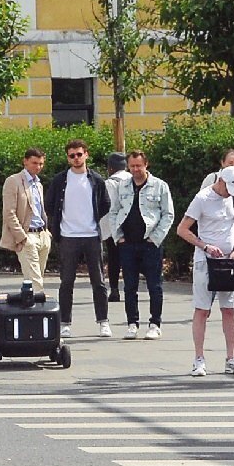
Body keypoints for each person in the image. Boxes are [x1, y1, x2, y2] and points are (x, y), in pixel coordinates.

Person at [178, 167, 234, 377]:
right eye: (228, 188)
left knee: (229, 309)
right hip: (206, 260)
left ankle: (231, 357)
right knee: (202, 309)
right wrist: (205, 246)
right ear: (220, 181)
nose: (230, 192)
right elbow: (183, 229)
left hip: (228, 260)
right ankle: (199, 358)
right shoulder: (202, 198)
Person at [49, 139, 112, 338]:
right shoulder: (60, 180)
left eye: (79, 154)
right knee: (66, 281)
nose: (76, 158)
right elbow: (50, 205)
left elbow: (105, 204)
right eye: (72, 155)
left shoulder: (96, 179)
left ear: (86, 154)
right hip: (68, 236)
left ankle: (103, 322)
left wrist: (92, 221)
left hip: (92, 235)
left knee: (98, 281)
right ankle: (65, 322)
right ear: (68, 158)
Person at [112, 150, 174, 340]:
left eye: (139, 166)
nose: (136, 170)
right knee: (129, 286)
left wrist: (155, 238)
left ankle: (155, 323)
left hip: (150, 244)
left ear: (146, 165)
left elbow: (168, 214)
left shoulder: (160, 186)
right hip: (128, 244)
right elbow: (114, 211)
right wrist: (118, 237)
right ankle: (132, 323)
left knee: (154, 286)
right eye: (132, 166)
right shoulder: (122, 186)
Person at [0, 147, 50, 292]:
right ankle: (39, 308)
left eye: (41, 164)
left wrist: (47, 233)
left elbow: (40, 210)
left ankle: (30, 304)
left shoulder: (38, 184)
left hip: (42, 234)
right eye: (34, 163)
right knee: (35, 279)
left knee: (36, 276)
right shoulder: (14, 181)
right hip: (27, 234)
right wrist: (21, 236)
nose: (38, 167)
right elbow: (9, 213)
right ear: (25, 162)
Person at [101, 150, 131, 298]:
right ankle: (130, 289)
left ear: (110, 168)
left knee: (114, 259)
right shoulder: (135, 180)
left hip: (114, 227)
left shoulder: (109, 183)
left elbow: (107, 206)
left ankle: (114, 290)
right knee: (130, 258)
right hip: (133, 227)